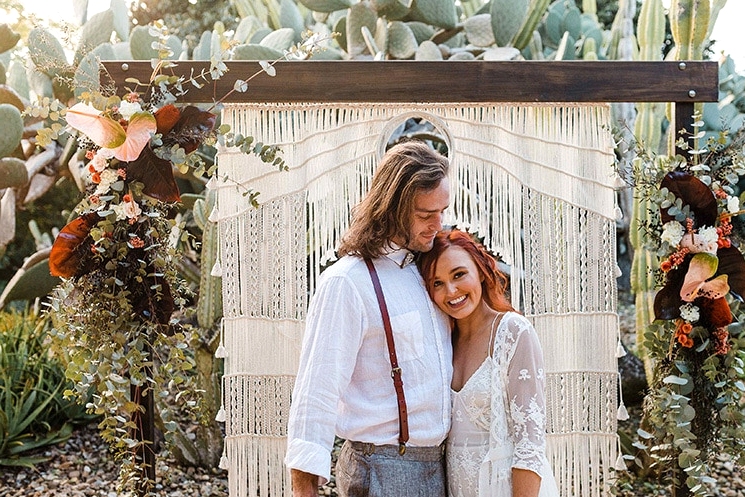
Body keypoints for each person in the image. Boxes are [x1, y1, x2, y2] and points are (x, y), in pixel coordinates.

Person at [284, 140, 453, 497]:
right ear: (392, 208)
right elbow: (316, 393)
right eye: (426, 215)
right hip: (380, 470)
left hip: (441, 468)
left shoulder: (428, 272)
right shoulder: (347, 282)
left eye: (443, 210)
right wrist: (303, 491)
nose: (439, 224)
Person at [417, 229, 560, 497]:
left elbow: (530, 445)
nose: (451, 291)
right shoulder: (443, 341)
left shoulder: (513, 332)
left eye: (459, 275)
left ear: (481, 271)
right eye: (437, 283)